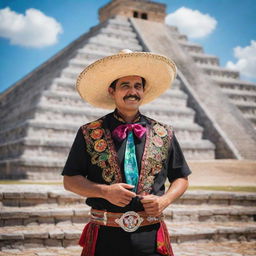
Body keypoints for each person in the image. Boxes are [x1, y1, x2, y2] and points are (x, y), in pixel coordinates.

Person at [62, 49, 191, 256]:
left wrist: (164, 201)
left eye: (137, 86)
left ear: (143, 91)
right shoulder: (89, 132)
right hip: (105, 234)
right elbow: (70, 180)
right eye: (125, 86)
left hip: (151, 233)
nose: (133, 91)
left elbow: (181, 178)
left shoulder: (164, 133)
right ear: (112, 91)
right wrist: (104, 191)